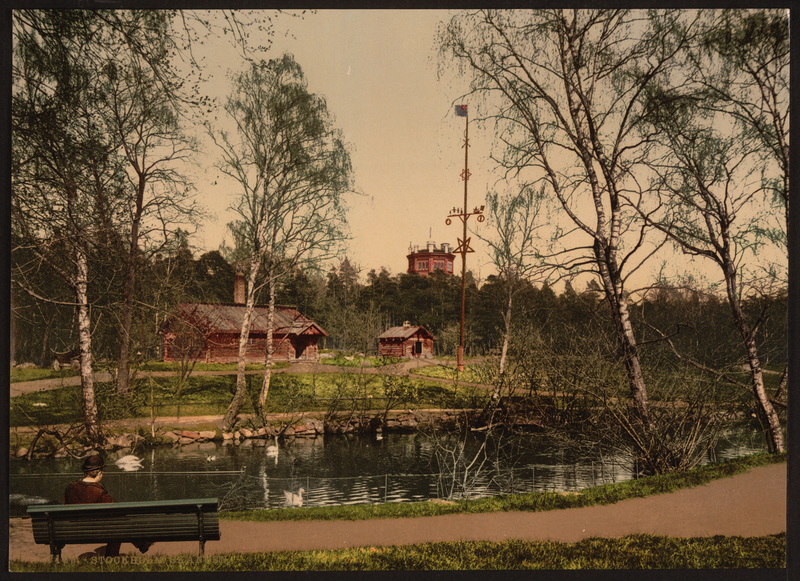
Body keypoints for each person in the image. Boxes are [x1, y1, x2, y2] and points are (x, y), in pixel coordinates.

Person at [64, 454, 153, 557]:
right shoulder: (98, 492)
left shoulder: (70, 488)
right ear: (100, 473)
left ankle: (141, 544)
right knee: (118, 524)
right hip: (96, 531)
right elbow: (117, 508)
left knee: (118, 523)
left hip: (74, 530)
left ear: (85, 472)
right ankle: (121, 553)